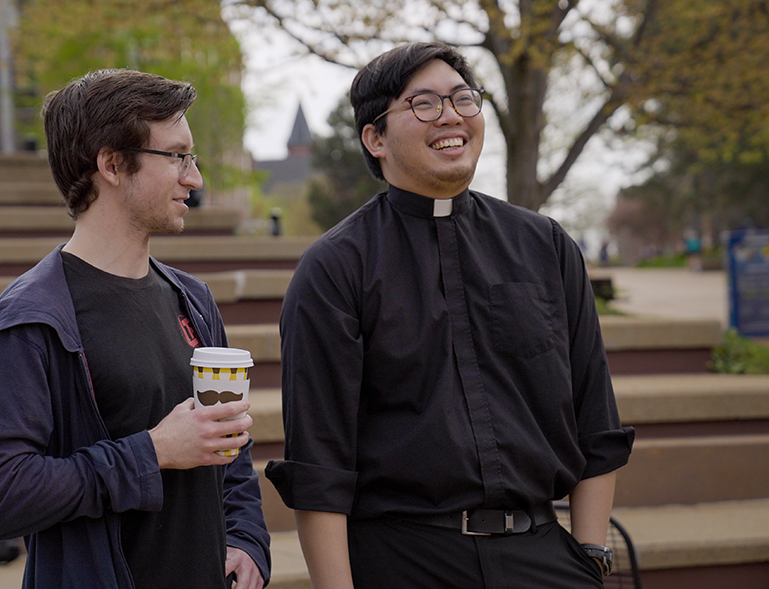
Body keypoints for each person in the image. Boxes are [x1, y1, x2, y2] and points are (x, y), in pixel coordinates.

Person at [266, 42, 634, 589]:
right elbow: (319, 465)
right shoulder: (335, 268)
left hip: (545, 556)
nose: (452, 116)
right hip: (402, 560)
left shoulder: (546, 245)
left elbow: (595, 420)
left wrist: (590, 554)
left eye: (464, 98)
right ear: (375, 138)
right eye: (424, 105)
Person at [0, 69, 270, 589]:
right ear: (110, 163)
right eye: (177, 157)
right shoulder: (33, 318)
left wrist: (246, 540)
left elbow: (228, 447)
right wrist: (151, 453)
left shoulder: (192, 299)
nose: (193, 178)